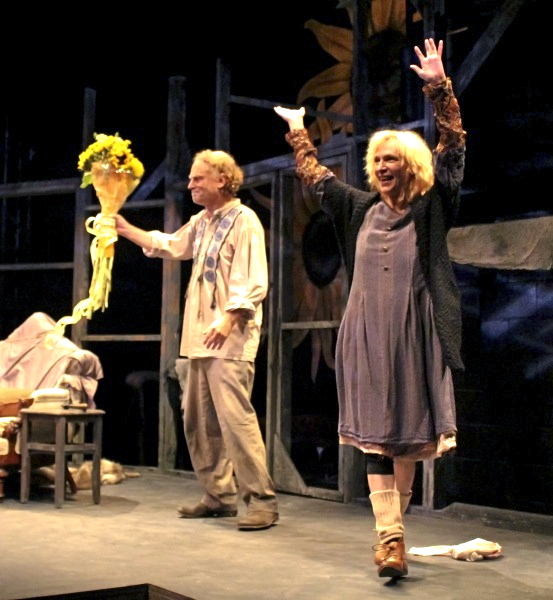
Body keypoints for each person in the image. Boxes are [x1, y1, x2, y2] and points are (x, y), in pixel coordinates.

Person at [274, 38, 465, 577]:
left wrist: (438, 87)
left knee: (405, 441)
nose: (381, 167)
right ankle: (391, 539)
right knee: (377, 437)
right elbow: (315, 179)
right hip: (365, 336)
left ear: (410, 166)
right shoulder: (357, 208)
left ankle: (392, 536)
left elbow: (453, 152)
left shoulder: (433, 208)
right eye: (376, 160)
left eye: (391, 159)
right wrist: (298, 132)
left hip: (416, 334)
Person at [114, 149, 279, 531]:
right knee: (198, 420)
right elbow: (172, 245)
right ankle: (218, 495)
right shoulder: (202, 222)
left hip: (229, 338)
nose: (190, 185)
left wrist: (229, 318)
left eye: (197, 178)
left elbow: (253, 279)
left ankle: (262, 501)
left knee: (236, 421)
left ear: (222, 179)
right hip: (198, 338)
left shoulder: (244, 220)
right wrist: (125, 229)